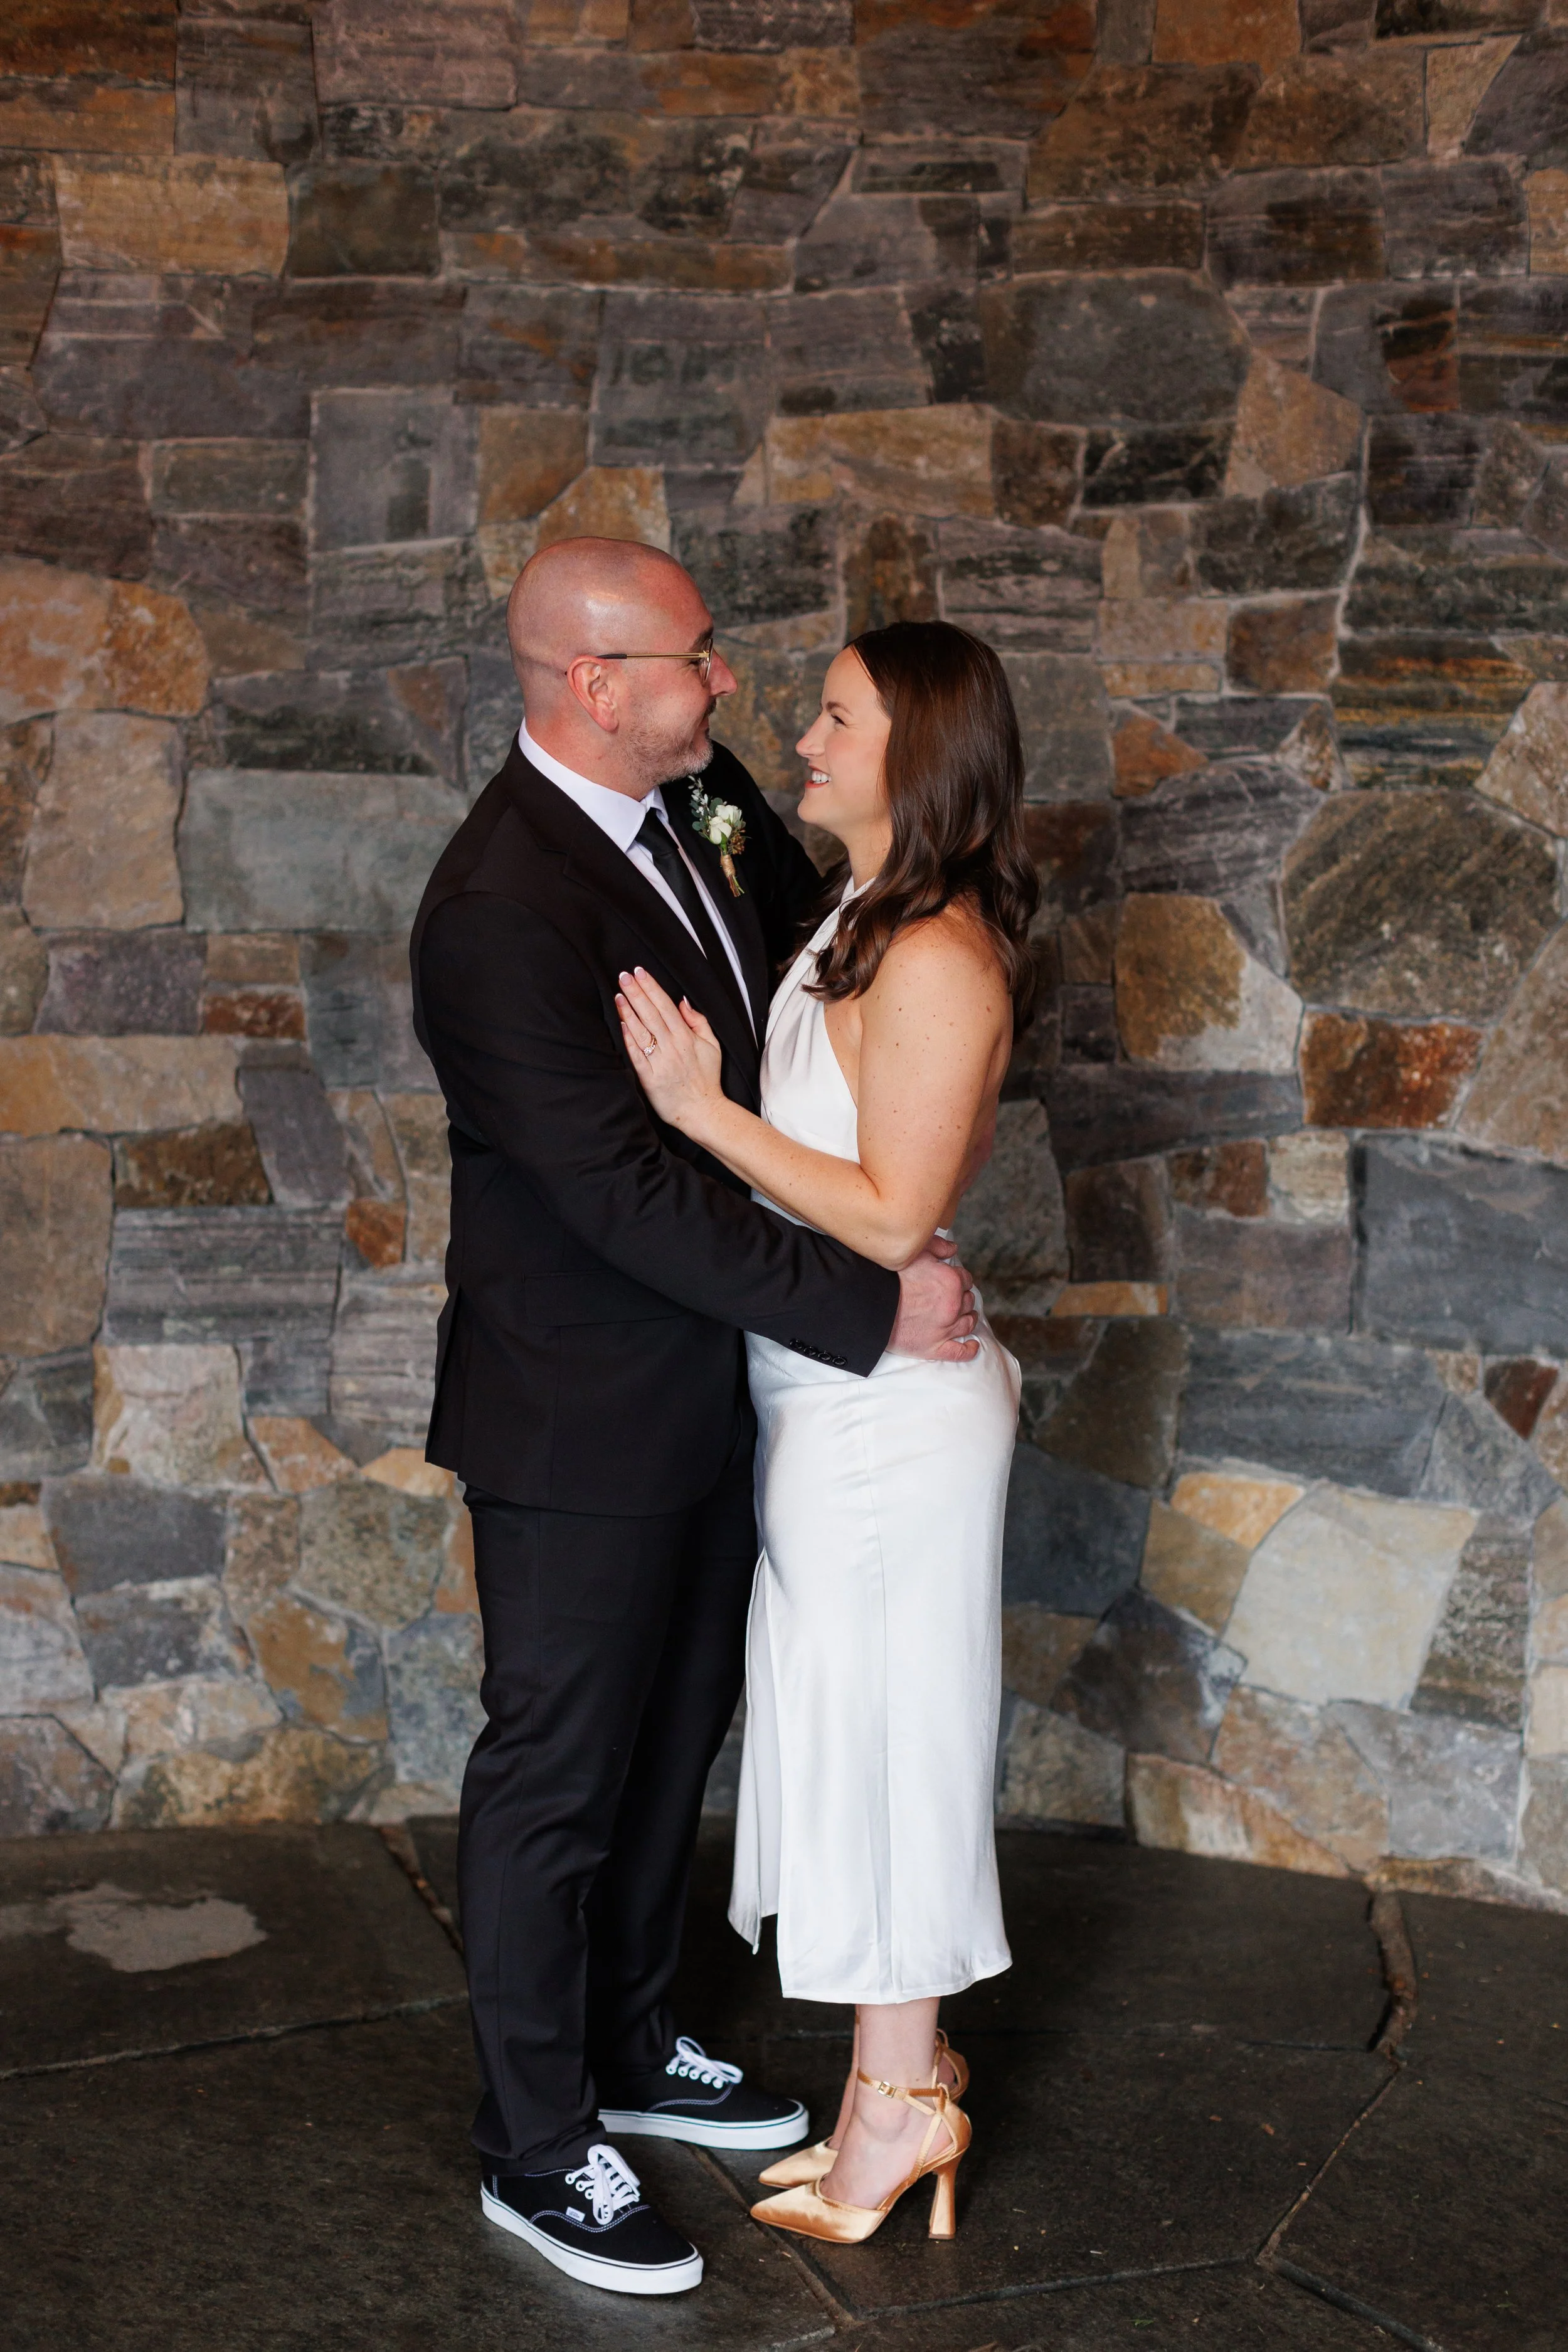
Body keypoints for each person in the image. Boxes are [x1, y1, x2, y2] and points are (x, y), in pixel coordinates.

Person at [408, 540, 980, 2297]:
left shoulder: (700, 797)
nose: (728, 685)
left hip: (732, 1390)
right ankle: (533, 2143)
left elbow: (817, 981)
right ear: (597, 684)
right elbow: (608, 1186)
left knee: (677, 1742)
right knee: (557, 1769)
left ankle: (638, 2039)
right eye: (697, 659)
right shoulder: (499, 909)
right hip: (577, 1412)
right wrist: (870, 1303)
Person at [616, 618, 1037, 2248]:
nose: (801, 729)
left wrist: (701, 1110)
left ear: (912, 750)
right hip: (825, 1401)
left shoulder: (930, 950)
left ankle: (899, 2114)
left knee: (887, 1749)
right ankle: (903, 2075)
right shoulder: (858, 919)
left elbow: (889, 1216)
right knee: (849, 1732)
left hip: (887, 1429)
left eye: (836, 713)